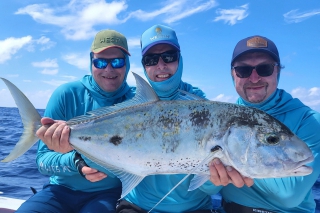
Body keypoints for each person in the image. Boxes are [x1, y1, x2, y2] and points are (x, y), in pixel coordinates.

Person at [116, 24, 252, 213]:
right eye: (151, 59)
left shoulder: (202, 105)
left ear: (180, 59)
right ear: (144, 65)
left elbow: (207, 184)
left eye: (169, 56)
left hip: (193, 209)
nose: (161, 65)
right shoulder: (129, 105)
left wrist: (214, 181)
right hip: (137, 207)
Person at [16, 29, 136, 213]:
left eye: (117, 62)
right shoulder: (65, 94)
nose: (109, 69)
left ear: (127, 64)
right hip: (59, 192)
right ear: (91, 62)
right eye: (101, 62)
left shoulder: (138, 103)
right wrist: (77, 163)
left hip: (109, 194)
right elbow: (42, 161)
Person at [211, 35, 320, 213]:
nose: (254, 78)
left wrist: (230, 163)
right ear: (233, 74)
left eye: (264, 68)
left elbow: (289, 194)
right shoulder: (218, 119)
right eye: (243, 70)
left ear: (277, 71)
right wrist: (212, 175)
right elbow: (206, 188)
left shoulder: (309, 120)